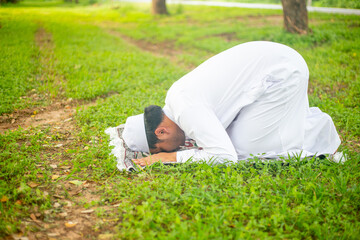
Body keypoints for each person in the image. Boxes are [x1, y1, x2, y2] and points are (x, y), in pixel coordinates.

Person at [122, 41, 341, 167]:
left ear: (161, 132)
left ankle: (317, 131)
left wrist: (168, 157)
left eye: (158, 149)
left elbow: (226, 157)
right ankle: (297, 124)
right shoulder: (175, 98)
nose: (174, 147)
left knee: (245, 150)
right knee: (232, 138)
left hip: (282, 71)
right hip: (276, 60)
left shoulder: (185, 109)